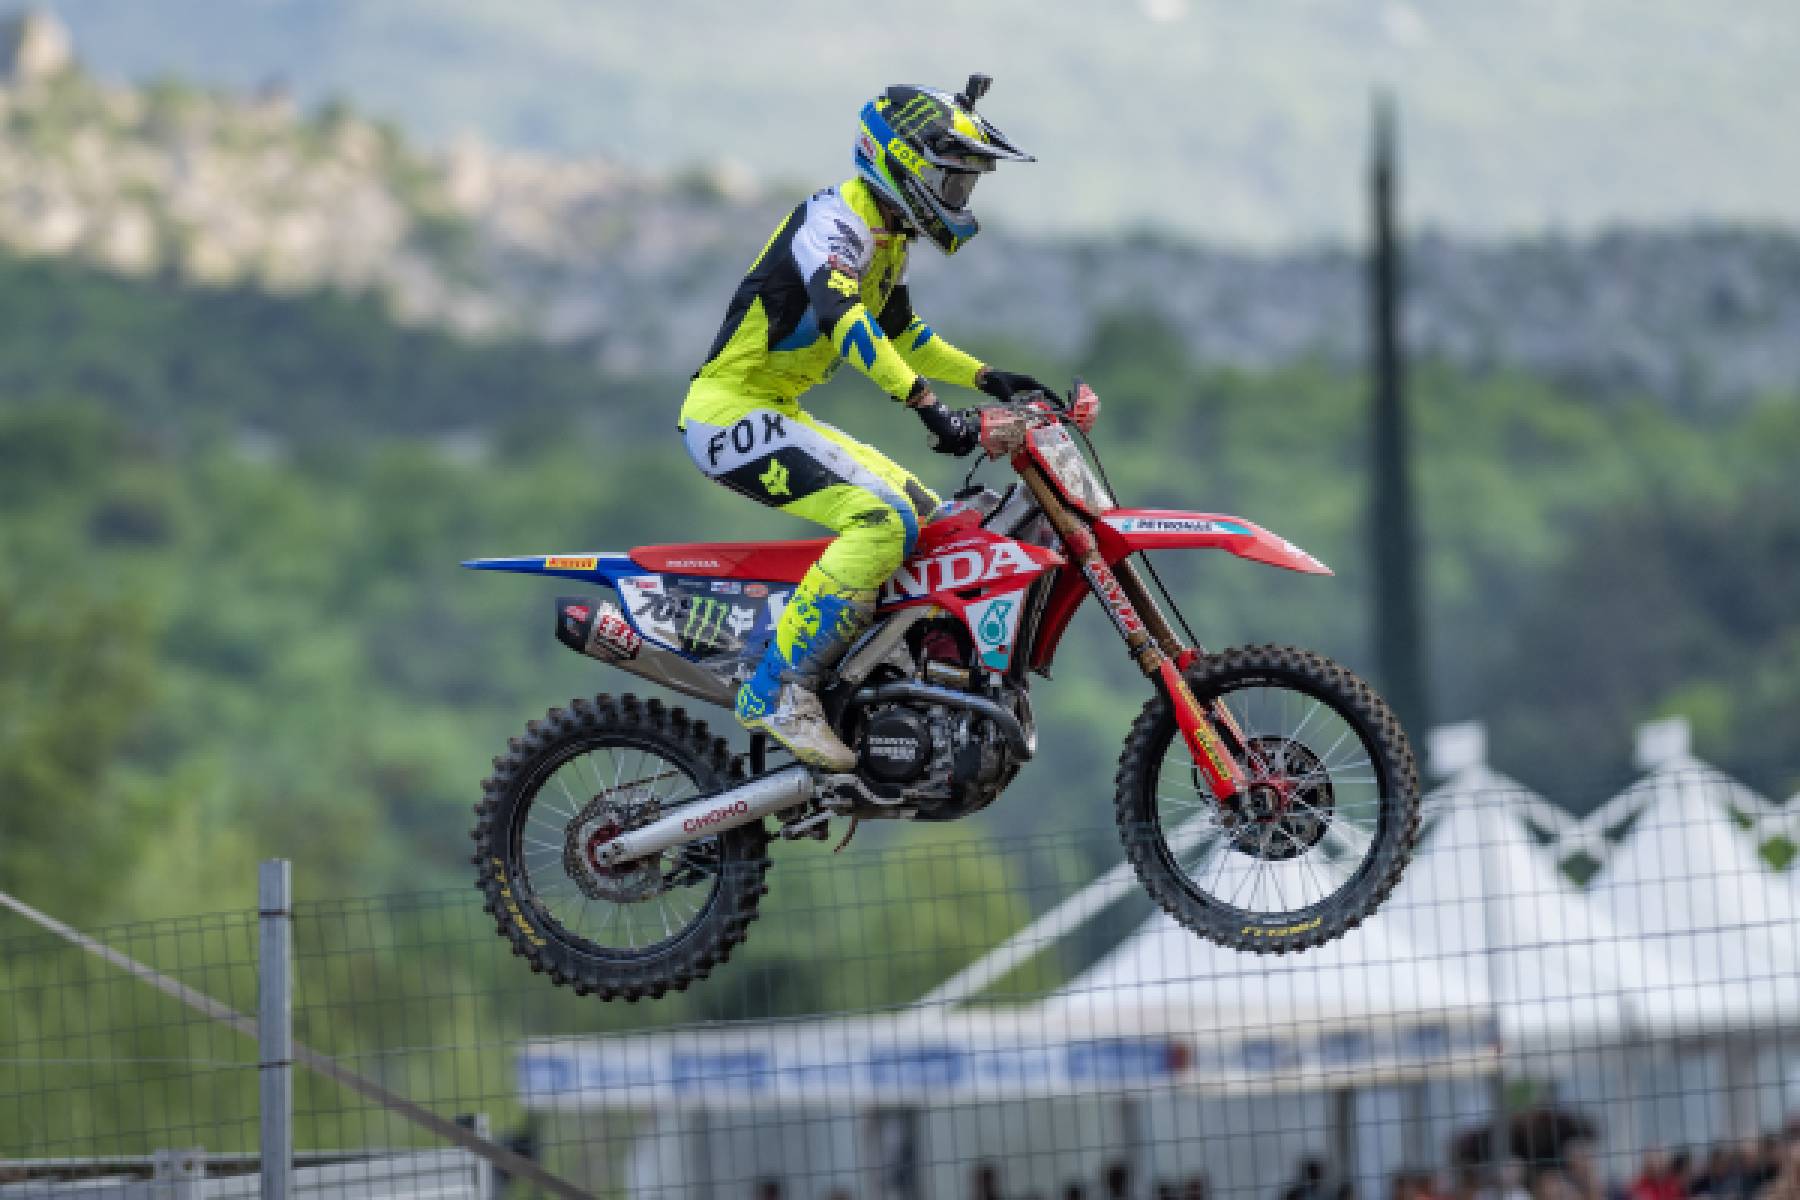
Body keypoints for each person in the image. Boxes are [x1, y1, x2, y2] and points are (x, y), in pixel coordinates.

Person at [680, 76, 1047, 768]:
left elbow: (904, 333)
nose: (957, 196)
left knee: (929, 517)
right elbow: (844, 320)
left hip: (774, 410)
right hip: (728, 413)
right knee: (882, 522)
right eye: (950, 179)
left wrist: (985, 376)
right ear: (902, 163)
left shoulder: (886, 237)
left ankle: (874, 683)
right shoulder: (835, 224)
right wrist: (927, 405)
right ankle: (778, 690)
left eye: (964, 184)